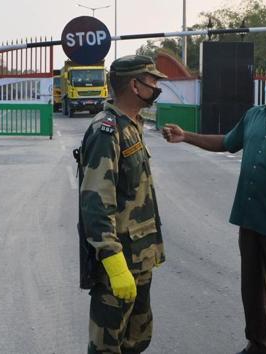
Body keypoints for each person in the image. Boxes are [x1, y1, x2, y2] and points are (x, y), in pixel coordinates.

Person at [163, 57, 266, 354]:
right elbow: (227, 142)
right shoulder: (254, 116)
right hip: (250, 219)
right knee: (252, 291)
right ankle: (258, 344)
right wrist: (186, 136)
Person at [78, 55, 167, 354]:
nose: (156, 87)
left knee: (136, 339)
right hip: (120, 261)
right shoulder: (107, 130)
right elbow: (95, 203)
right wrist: (115, 266)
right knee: (107, 346)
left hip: (139, 257)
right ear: (134, 84)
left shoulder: (131, 125)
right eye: (152, 81)